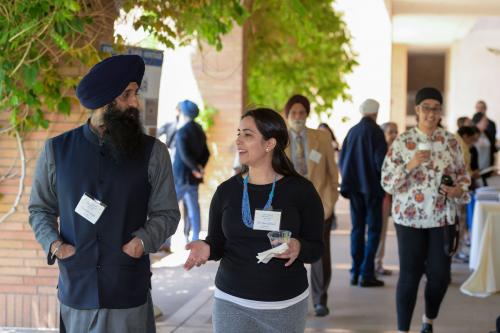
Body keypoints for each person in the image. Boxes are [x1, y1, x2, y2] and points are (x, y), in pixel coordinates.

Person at [28, 55, 181, 333]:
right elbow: (40, 209)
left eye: (136, 93)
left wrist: (141, 242)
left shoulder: (153, 152)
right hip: (77, 287)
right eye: (127, 95)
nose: (135, 102)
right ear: (104, 101)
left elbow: (167, 213)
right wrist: (55, 246)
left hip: (127, 289)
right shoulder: (57, 151)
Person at [184, 108, 324, 333]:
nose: (238, 140)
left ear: (270, 144)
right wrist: (207, 247)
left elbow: (316, 248)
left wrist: (299, 247)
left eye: (247, 135)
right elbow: (218, 243)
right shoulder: (226, 191)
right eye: (238, 133)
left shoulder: (301, 191)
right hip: (231, 302)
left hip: (285, 306)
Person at [381, 87, 470, 333]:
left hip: (442, 217)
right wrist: (411, 164)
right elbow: (387, 181)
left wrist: (458, 191)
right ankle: (402, 329)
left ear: (441, 111)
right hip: (409, 219)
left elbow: (463, 176)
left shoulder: (451, 141)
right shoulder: (402, 141)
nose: (431, 113)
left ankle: (428, 319)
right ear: (417, 110)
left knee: (440, 277)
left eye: (436, 108)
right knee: (409, 277)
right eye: (426, 108)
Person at [284, 95, 339, 317]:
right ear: (287, 116)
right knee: (286, 252)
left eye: (301, 113)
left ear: (307, 114)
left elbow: (332, 174)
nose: (298, 117)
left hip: (319, 206)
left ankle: (320, 299)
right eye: (293, 113)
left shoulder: (322, 138)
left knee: (320, 254)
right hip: (288, 207)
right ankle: (290, 298)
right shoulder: (278, 140)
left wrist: (330, 202)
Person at [339, 99, 387, 287]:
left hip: (354, 189)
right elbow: (380, 162)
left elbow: (342, 160)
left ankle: (355, 271)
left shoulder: (352, 131)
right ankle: (367, 274)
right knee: (374, 231)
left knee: (357, 230)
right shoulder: (376, 132)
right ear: (376, 113)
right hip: (373, 189)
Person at [172, 100, 210, 242]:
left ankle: (164, 241)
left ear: (184, 114)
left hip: (180, 177)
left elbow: (183, 155)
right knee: (194, 209)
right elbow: (207, 153)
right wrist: (199, 169)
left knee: (169, 210)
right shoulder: (200, 130)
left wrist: (195, 168)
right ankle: (195, 239)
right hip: (194, 177)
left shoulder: (182, 131)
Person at [376, 122, 398, 276]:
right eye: (390, 131)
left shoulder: (398, 150)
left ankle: (378, 262)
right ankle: (376, 263)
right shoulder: (381, 151)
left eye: (395, 131)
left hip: (395, 197)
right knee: (379, 231)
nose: (394, 134)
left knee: (383, 232)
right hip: (382, 197)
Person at [472, 111, 497, 184]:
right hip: (476, 171)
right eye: (485, 121)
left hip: (487, 169)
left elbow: (491, 151)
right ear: (478, 121)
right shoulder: (472, 134)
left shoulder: (487, 134)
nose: (487, 123)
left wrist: (492, 168)